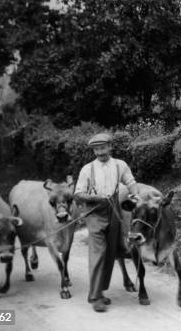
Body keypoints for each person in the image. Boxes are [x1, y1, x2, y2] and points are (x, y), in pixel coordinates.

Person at [74, 133, 140, 312]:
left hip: (114, 211)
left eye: (103, 148)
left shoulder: (120, 165)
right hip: (95, 212)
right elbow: (78, 193)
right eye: (96, 149)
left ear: (110, 147)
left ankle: (97, 291)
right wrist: (94, 197)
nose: (100, 152)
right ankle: (96, 298)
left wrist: (135, 195)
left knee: (110, 253)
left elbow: (131, 182)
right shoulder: (87, 169)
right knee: (98, 252)